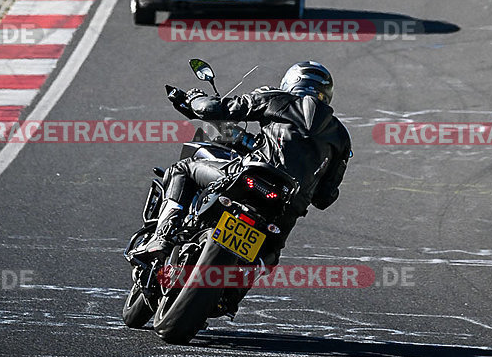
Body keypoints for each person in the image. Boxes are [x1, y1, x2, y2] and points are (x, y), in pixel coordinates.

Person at [137, 61, 352, 259]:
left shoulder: (277, 99)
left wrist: (194, 98)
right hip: (286, 209)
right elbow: (324, 198)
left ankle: (162, 237)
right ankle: (228, 298)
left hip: (250, 178)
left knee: (182, 169)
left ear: (291, 82)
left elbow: (215, 109)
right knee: (265, 258)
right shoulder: (341, 136)